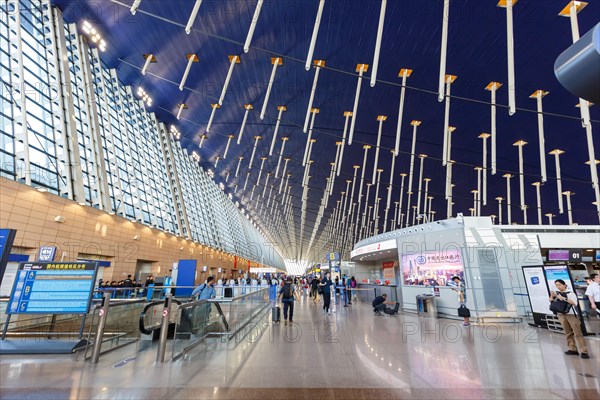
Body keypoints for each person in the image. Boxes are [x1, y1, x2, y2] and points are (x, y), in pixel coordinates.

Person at [550, 279, 589, 359]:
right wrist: (552, 297)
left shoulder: (571, 293)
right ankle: (572, 349)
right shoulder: (557, 294)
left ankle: (584, 351)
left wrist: (563, 298)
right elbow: (552, 301)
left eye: (560, 284)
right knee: (567, 332)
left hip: (571, 315)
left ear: (565, 285)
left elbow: (574, 303)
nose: (558, 286)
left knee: (577, 332)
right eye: (556, 285)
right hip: (561, 315)